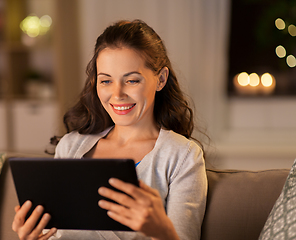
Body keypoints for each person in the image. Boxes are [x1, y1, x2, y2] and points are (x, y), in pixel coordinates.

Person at [12, 19, 207, 240]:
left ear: (161, 79)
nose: (117, 94)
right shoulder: (70, 147)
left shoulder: (182, 156)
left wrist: (161, 231)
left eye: (132, 81)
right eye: (106, 81)